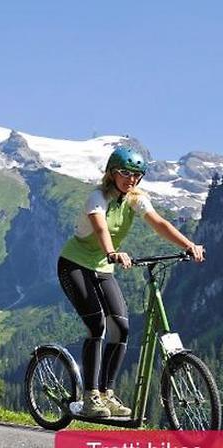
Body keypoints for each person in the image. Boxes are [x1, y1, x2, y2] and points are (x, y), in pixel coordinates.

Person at [57, 146, 204, 418]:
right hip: (74, 265)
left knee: (121, 328)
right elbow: (101, 228)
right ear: (112, 172)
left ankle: (106, 393)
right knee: (97, 325)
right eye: (125, 173)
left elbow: (159, 223)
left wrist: (189, 245)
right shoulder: (97, 197)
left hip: (102, 268)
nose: (131, 179)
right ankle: (90, 397)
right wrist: (112, 252)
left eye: (137, 174)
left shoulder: (136, 198)